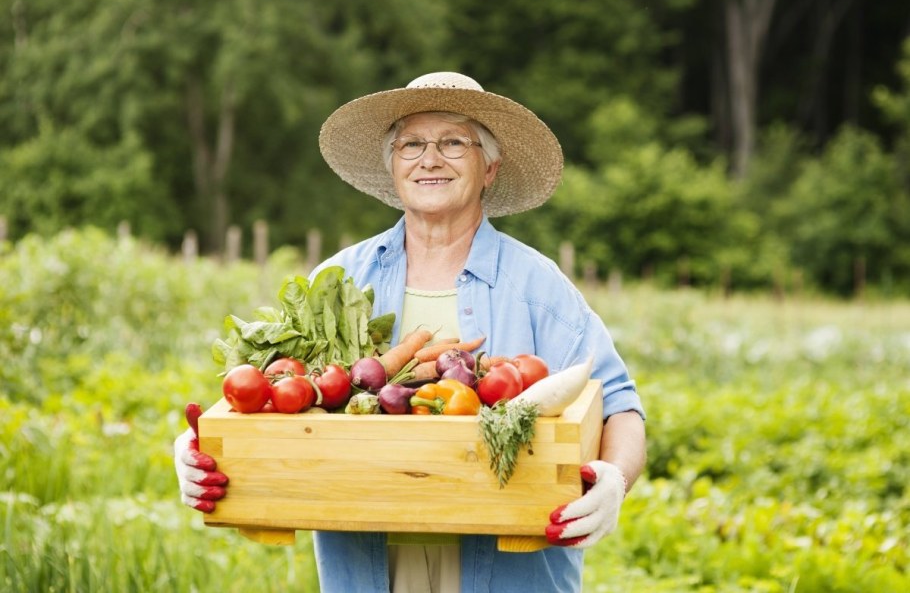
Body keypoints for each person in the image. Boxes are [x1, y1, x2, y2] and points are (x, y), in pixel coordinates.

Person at [174, 71, 647, 593]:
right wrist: (199, 448)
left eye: (452, 142)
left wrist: (614, 479)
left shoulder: (537, 286)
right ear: (393, 168)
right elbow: (270, 395)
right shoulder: (342, 280)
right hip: (369, 567)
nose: (430, 159)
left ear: (489, 167)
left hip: (509, 570)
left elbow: (621, 405)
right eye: (411, 144)